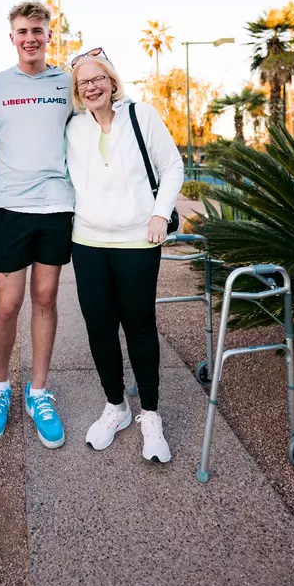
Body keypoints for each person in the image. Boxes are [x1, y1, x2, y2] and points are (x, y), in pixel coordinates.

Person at [66, 48, 183, 462]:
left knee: (139, 327)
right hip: (88, 242)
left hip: (137, 240)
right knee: (99, 329)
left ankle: (150, 415)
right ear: (77, 91)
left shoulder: (141, 115)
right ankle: (116, 407)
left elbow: (172, 166)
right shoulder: (74, 128)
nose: (92, 86)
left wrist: (158, 214)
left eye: (98, 78)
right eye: (83, 82)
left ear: (112, 81)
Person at [0, 0, 73, 448]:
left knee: (46, 298)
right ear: (11, 37)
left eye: (38, 30)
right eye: (22, 31)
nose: (30, 37)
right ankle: (0, 389)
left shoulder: (69, 84)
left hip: (56, 205)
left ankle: (38, 392)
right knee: (9, 304)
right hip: (10, 208)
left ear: (49, 35)